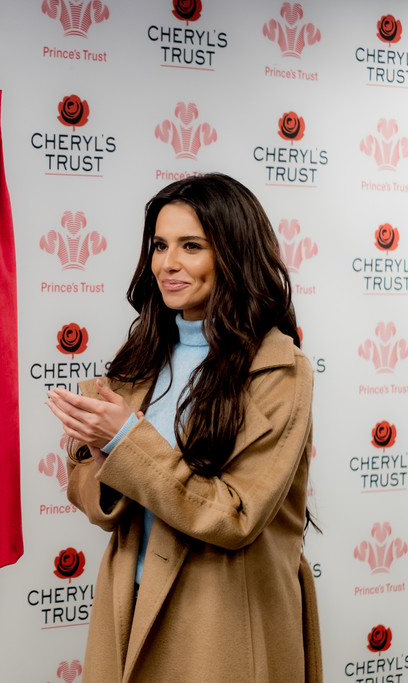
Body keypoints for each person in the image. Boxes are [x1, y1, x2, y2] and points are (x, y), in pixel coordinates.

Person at [46, 173, 322, 682]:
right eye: (159, 245)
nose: (167, 264)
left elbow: (234, 517)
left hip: (219, 615)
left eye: (190, 246)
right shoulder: (140, 358)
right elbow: (100, 506)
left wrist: (127, 442)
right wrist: (101, 456)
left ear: (233, 254)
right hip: (128, 604)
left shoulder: (280, 370)